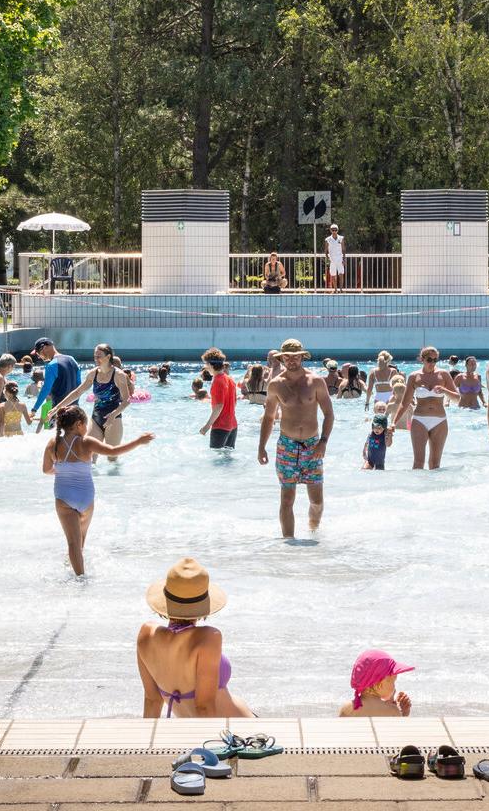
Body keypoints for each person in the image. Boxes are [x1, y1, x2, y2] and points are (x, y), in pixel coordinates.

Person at [41, 404, 153, 576]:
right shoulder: (86, 442)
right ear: (79, 424)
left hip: (64, 498)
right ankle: (76, 571)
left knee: (72, 543)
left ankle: (79, 580)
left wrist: (62, 471)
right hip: (86, 499)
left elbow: (46, 470)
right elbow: (114, 451)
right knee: (80, 541)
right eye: (86, 424)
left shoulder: (53, 443)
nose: (87, 428)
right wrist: (138, 441)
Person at [138, 557, 254, 719]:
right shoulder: (207, 637)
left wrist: (147, 741)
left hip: (197, 732)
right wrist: (211, 742)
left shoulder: (146, 634)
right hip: (237, 733)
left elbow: (152, 701)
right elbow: (204, 707)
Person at [258, 339, 334, 537]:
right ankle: (288, 546)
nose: (291, 360)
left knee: (316, 501)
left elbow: (329, 414)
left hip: (312, 445)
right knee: (287, 499)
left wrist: (323, 442)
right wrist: (261, 447)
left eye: (295, 356)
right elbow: (268, 417)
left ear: (302, 357)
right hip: (287, 445)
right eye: (287, 357)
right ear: (281, 358)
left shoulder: (316, 381)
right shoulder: (276, 385)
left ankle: (313, 532)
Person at [50, 343, 131, 447]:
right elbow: (77, 392)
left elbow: (127, 400)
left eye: (99, 356)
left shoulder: (118, 375)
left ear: (108, 356)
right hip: (96, 417)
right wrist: (56, 408)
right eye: (95, 356)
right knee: (89, 455)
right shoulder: (93, 373)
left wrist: (114, 414)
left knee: (112, 457)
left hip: (113, 419)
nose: (96, 359)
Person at [393, 346, 459, 470]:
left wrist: (444, 390)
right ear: (422, 359)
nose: (432, 363)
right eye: (429, 360)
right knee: (418, 463)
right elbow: (405, 402)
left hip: (439, 421)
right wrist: (393, 423)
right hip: (419, 420)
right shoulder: (414, 376)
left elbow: (457, 398)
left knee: (435, 464)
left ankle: (434, 489)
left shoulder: (443, 374)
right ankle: (416, 488)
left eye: (435, 360)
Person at [339, 649, 414, 717]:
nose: (394, 687)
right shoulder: (392, 711)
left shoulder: (346, 709)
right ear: (379, 685)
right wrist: (403, 714)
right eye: (393, 682)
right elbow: (397, 731)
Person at [31, 338, 81, 422]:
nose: (39, 357)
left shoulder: (51, 365)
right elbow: (79, 386)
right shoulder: (72, 359)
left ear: (44, 348)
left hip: (58, 411)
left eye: (38, 353)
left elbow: (46, 389)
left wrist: (34, 409)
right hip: (75, 410)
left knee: (55, 434)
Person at [200, 347, 238, 449]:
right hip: (233, 425)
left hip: (220, 427)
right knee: (227, 459)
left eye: (206, 364)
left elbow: (219, 406)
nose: (205, 367)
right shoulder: (230, 379)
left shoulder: (217, 381)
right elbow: (235, 402)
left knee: (216, 462)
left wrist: (206, 427)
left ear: (211, 364)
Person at [325, 223, 345, 292]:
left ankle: (341, 289)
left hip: (340, 259)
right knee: (333, 275)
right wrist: (328, 259)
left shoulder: (341, 238)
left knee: (341, 274)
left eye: (335, 230)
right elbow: (326, 251)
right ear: (330, 230)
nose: (334, 231)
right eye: (333, 230)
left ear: (337, 230)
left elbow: (343, 249)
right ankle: (336, 290)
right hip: (332, 260)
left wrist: (344, 259)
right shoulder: (328, 239)